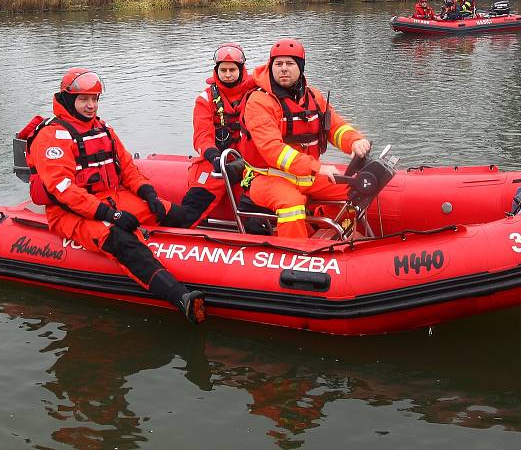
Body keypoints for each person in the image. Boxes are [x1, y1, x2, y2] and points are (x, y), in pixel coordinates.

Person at [24, 68, 205, 324]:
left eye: (95, 99)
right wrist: (111, 215)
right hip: (71, 213)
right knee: (121, 240)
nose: (91, 105)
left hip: (111, 199)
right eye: (84, 99)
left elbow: (128, 169)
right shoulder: (52, 136)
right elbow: (64, 190)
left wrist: (149, 194)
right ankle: (180, 298)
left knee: (173, 212)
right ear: (68, 100)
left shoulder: (103, 129)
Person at [238, 38, 371, 238]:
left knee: (353, 191)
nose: (283, 69)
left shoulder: (313, 97)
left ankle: (339, 234)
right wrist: (316, 167)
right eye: (278, 64)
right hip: (267, 177)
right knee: (291, 203)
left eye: (290, 64)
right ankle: (298, 257)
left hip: (305, 175)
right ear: (270, 66)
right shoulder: (259, 102)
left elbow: (334, 127)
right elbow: (272, 151)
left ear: (300, 67)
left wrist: (354, 140)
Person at [179, 43, 255, 226]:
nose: (228, 74)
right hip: (217, 159)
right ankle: (182, 227)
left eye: (232, 69)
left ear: (241, 69)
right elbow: (201, 136)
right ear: (216, 70)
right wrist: (214, 157)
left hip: (250, 160)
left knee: (256, 199)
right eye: (223, 70)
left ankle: (259, 233)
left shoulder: (256, 93)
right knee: (198, 197)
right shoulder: (205, 99)